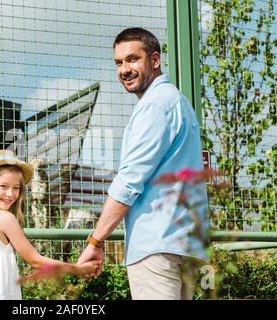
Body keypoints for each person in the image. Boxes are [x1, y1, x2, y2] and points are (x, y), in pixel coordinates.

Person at [77, 27, 210, 300]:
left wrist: (95, 240)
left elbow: (129, 181)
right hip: (185, 243)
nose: (124, 69)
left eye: (132, 59)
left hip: (156, 246)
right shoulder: (179, 103)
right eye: (119, 62)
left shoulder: (154, 106)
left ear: (155, 60)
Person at [0, 149, 100, 300]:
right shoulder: (5, 219)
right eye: (3, 186)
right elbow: (35, 261)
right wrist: (77, 269)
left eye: (16, 188)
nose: (11, 194)